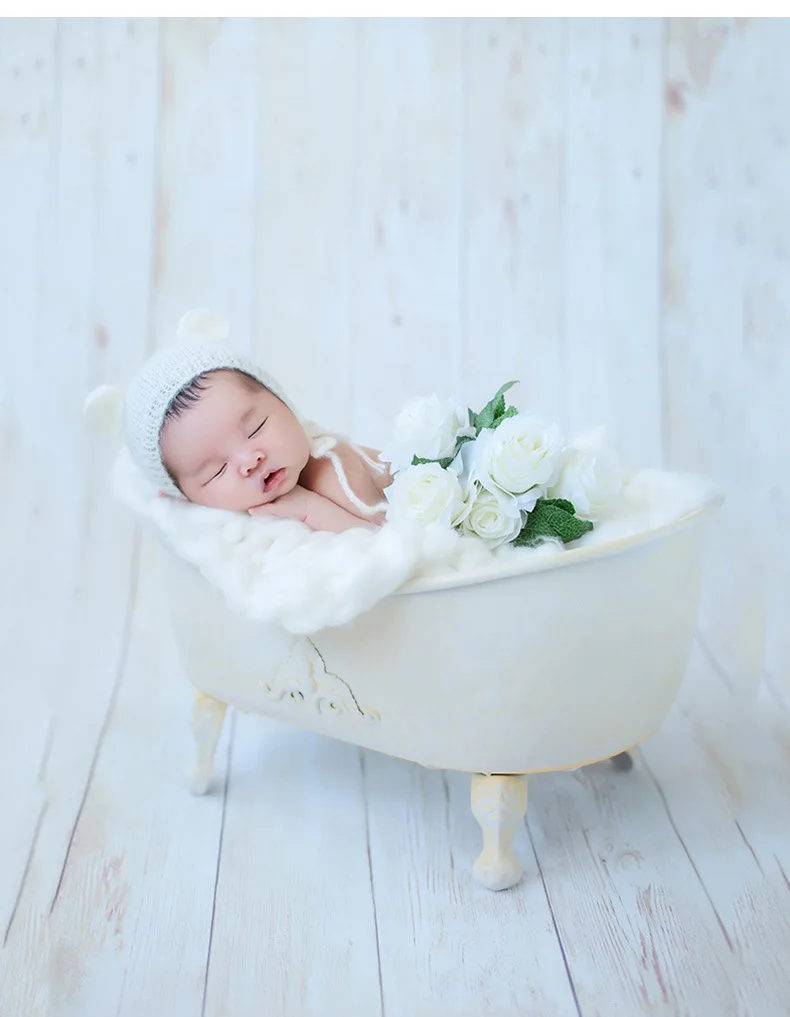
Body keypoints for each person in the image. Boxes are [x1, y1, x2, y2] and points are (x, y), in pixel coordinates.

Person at [122, 337, 391, 533]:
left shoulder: (332, 471)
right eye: (217, 471)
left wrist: (313, 510)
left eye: (255, 428)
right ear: (186, 498)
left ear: (284, 402)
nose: (250, 461)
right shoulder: (215, 531)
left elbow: (391, 545)